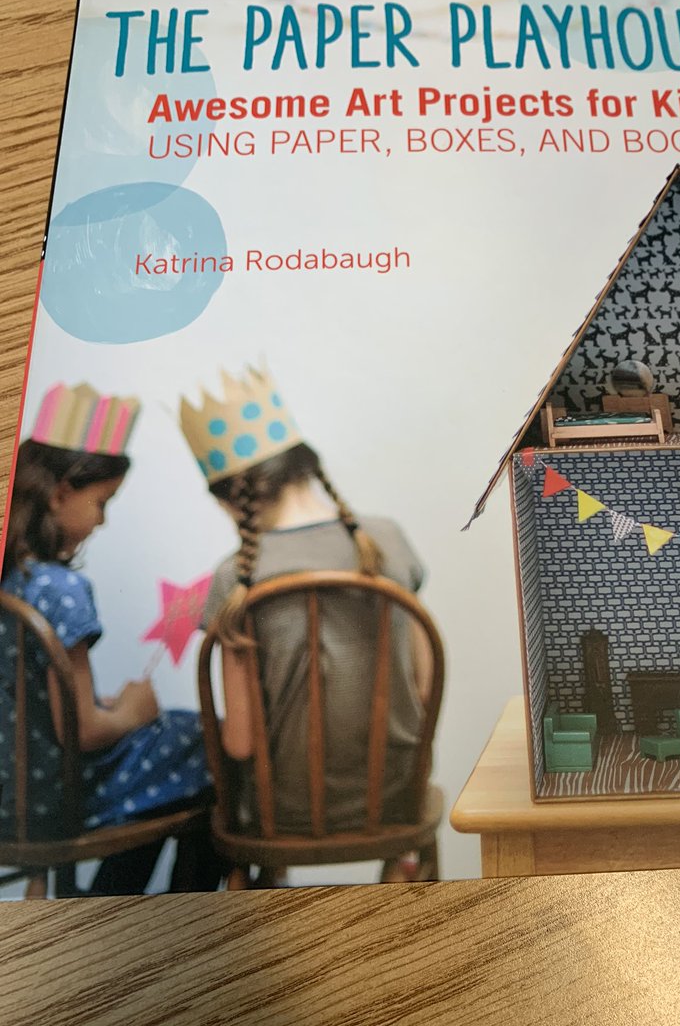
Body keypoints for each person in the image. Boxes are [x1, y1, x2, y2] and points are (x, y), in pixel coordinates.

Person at [181, 366, 434, 881]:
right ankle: (399, 871)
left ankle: (271, 889)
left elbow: (240, 743)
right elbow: (424, 688)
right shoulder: (385, 539)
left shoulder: (236, 577)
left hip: (282, 813)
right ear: (307, 465)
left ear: (230, 501)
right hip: (393, 798)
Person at [0, 382, 222, 895]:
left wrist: (107, 708)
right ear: (60, 493)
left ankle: (112, 901)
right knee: (205, 741)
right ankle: (163, 912)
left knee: (166, 762)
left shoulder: (13, 581)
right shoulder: (61, 589)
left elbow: (34, 705)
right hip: (56, 800)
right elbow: (82, 732)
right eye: (102, 502)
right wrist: (131, 712)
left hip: (11, 793)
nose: (102, 519)